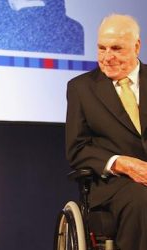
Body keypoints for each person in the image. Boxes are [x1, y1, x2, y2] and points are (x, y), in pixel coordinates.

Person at [66, 14, 147, 249]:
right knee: (142, 200)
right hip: (115, 185)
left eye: (116, 48)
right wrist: (122, 164)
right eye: (101, 48)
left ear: (137, 46)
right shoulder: (82, 89)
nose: (107, 57)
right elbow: (77, 149)